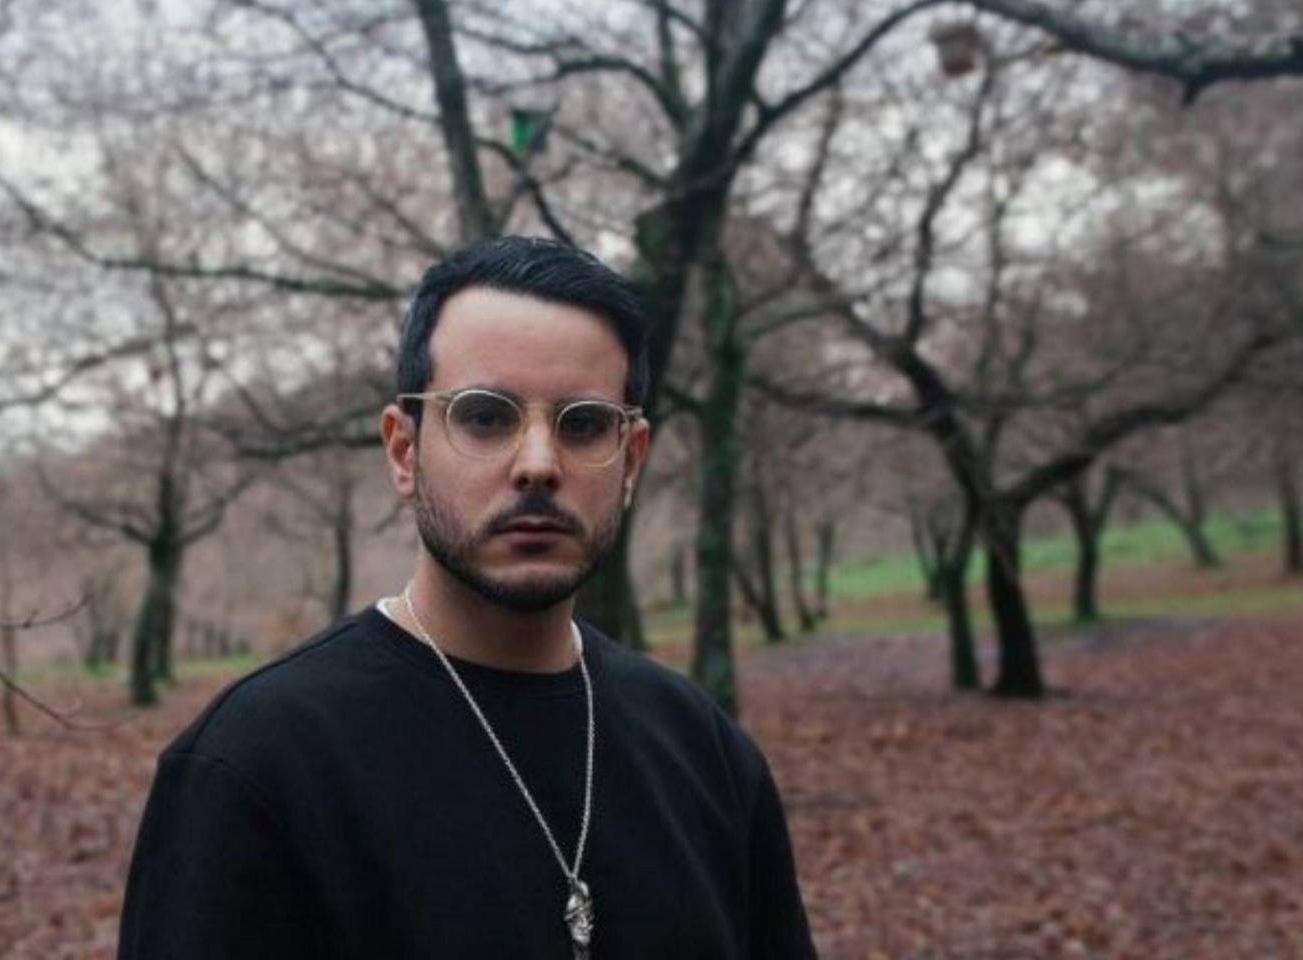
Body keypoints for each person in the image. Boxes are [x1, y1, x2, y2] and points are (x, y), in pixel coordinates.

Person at [117, 236, 817, 958]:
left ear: (631, 460)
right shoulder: (255, 764)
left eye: (582, 424)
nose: (539, 465)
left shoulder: (707, 755)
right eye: (485, 417)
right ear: (403, 451)